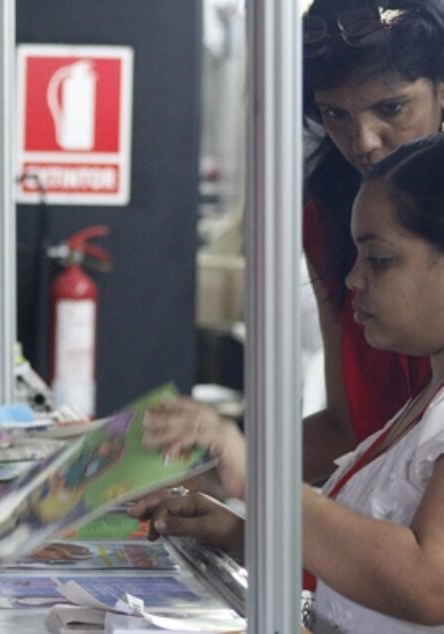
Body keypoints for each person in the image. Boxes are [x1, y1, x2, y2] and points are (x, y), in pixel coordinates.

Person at [138, 133, 444, 632]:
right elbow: (370, 570)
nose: (353, 282)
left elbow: (430, 583)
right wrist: (246, 534)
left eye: (380, 260)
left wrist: (258, 477)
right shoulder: (422, 404)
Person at [147, 0, 444, 485]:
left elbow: (422, 562)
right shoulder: (327, 220)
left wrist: (246, 473)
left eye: (391, 108)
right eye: (335, 114)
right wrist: (206, 469)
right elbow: (349, 427)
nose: (364, 140)